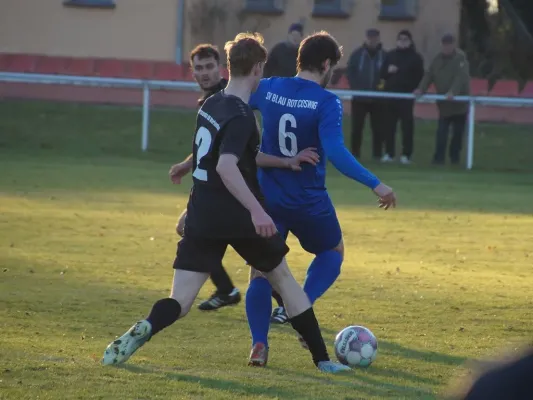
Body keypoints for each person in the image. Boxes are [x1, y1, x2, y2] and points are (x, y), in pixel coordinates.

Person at [101, 32, 350, 374]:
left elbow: (217, 158)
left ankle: (144, 327)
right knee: (284, 281)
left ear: (227, 66)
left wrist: (282, 162)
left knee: (180, 301)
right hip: (237, 215)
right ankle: (323, 361)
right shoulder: (242, 115)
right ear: (259, 68)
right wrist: (257, 210)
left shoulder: (211, 104)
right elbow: (227, 165)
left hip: (202, 214)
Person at [246, 31, 397, 366]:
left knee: (260, 271)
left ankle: (259, 344)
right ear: (326, 64)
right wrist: (376, 184)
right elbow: (337, 153)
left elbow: (237, 104)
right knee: (333, 251)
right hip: (308, 200)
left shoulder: (268, 87)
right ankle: (299, 304)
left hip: (267, 198)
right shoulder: (326, 102)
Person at [175, 43, 240, 312]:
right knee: (260, 256)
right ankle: (226, 289)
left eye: (209, 67)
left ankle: (229, 290)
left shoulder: (225, 99)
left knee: (262, 256)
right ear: (193, 73)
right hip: (214, 190)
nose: (204, 73)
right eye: (199, 68)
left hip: (228, 190)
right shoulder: (209, 100)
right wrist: (186, 165)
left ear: (221, 68)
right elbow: (209, 147)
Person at [415, 33, 470, 165]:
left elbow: (460, 78)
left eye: (449, 44)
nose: (447, 47)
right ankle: (438, 159)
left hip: (459, 105)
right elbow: (429, 75)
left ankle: (454, 159)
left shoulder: (461, 59)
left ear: (453, 45)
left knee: (457, 134)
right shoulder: (437, 59)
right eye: (445, 45)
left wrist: (453, 92)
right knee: (441, 134)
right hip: (444, 106)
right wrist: (421, 89)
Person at [380, 30, 424, 164]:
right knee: (389, 126)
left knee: (407, 127)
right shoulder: (390, 55)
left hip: (406, 97)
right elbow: (381, 74)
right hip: (390, 95)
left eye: (405, 39)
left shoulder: (416, 58)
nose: (402, 41)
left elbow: (420, 76)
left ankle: (406, 155)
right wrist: (388, 71)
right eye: (400, 39)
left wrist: (415, 88)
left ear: (410, 41)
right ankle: (389, 153)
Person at [346, 28, 387, 160]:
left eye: (375, 37)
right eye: (370, 37)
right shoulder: (357, 55)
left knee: (378, 129)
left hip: (378, 99)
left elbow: (387, 75)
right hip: (359, 98)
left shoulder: (384, 56)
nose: (372, 40)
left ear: (378, 39)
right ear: (366, 38)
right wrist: (356, 88)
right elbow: (350, 72)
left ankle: (377, 155)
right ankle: (355, 154)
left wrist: (382, 89)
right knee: (357, 128)